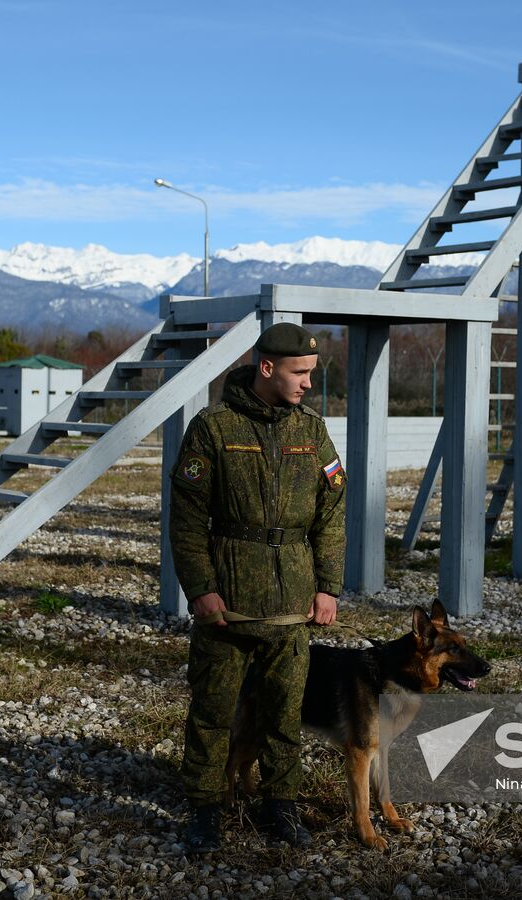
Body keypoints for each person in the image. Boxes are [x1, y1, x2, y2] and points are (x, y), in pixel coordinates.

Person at [168, 322, 347, 854]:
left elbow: (331, 513)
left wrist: (329, 587)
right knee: (213, 712)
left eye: (311, 372)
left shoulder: (312, 432)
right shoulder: (213, 427)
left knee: (284, 713)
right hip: (228, 606)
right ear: (267, 368)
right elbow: (186, 519)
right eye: (299, 372)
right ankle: (204, 810)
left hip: (293, 605)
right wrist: (201, 589)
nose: (308, 383)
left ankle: (280, 806)